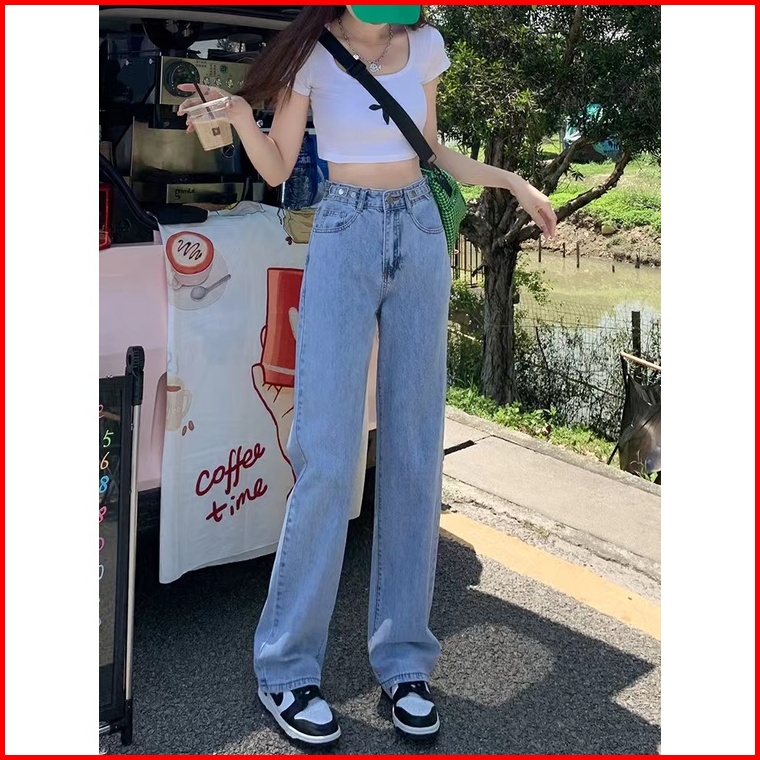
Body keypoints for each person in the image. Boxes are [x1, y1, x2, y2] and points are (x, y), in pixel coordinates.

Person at [179, 4, 556, 747]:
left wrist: (512, 180)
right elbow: (279, 167)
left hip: (419, 232)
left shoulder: (426, 44)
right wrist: (240, 116)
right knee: (326, 455)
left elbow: (435, 150)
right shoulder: (313, 54)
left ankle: (405, 662)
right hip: (344, 231)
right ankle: (287, 669)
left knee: (414, 454)